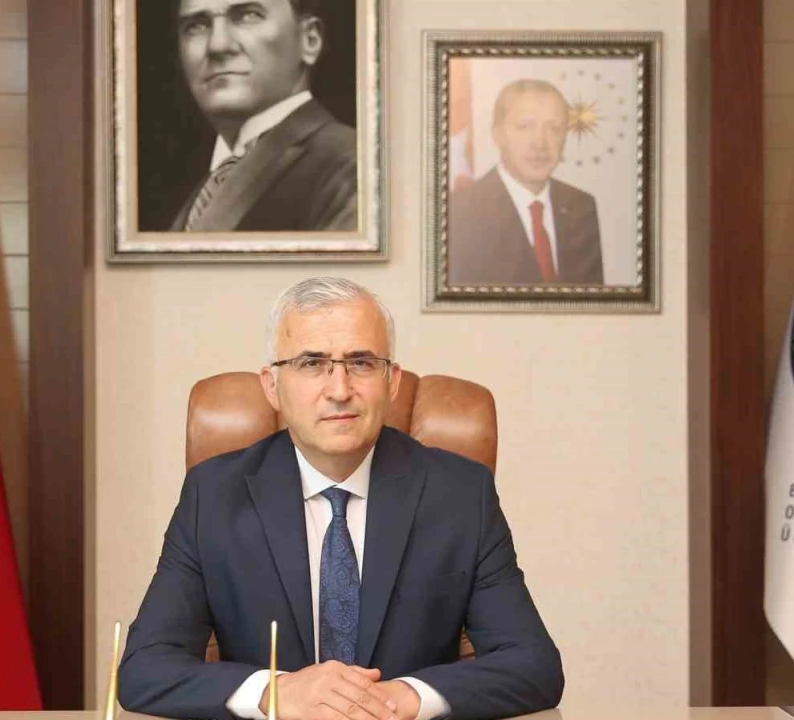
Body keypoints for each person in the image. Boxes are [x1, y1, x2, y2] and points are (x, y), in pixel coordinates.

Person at [119, 277, 563, 720]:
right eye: (312, 363)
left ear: (391, 381)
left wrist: (402, 697)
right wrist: (276, 692)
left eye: (362, 363)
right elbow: (144, 668)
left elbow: (534, 666)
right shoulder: (213, 495)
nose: (339, 390)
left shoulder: (461, 494)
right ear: (272, 385)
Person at [166, 0, 357, 233]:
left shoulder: (354, 167)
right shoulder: (196, 187)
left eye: (248, 15)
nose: (217, 45)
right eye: (196, 26)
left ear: (310, 40)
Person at [448, 79, 604, 285]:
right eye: (525, 127)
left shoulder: (581, 206)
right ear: (498, 135)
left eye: (554, 128)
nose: (540, 143)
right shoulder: (460, 212)